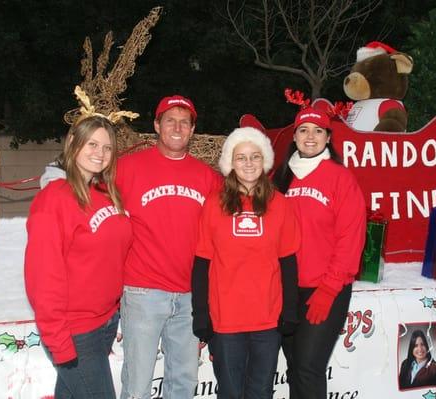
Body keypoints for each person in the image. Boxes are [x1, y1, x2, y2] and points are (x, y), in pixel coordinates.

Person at [117, 95, 221, 399]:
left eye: (184, 122)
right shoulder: (126, 168)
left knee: (184, 382)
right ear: (156, 126)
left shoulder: (207, 177)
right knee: (137, 383)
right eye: (170, 120)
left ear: (192, 130)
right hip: (143, 292)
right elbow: (89, 200)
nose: (177, 127)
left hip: (190, 296)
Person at [25, 115, 133, 398]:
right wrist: (59, 342)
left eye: (107, 148)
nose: (100, 153)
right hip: (75, 331)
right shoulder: (54, 199)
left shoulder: (105, 193)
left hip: (106, 321)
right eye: (92, 144)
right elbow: (43, 276)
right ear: (73, 142)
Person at [191, 127, 300, 399]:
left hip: (267, 319)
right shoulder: (213, 205)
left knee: (261, 392)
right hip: (226, 320)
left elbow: (288, 262)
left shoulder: (281, 204)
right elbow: (202, 263)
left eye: (255, 156)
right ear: (230, 163)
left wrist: (289, 311)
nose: (248, 163)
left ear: (265, 161)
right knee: (230, 392)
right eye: (241, 157)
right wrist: (200, 314)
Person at [272, 107, 366, 399]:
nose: (310, 136)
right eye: (303, 130)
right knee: (295, 365)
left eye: (317, 131)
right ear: (295, 137)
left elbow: (351, 238)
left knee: (308, 368)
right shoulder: (281, 178)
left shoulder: (341, 179)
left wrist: (329, 288)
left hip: (325, 288)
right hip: (286, 289)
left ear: (328, 137)